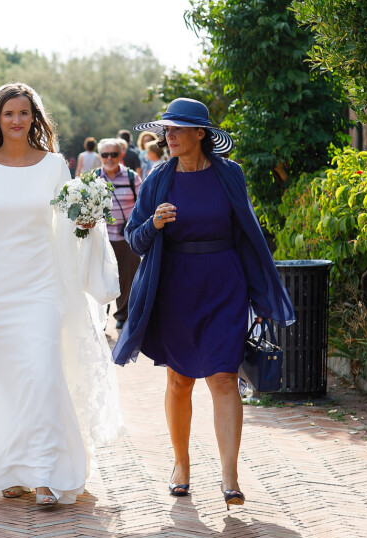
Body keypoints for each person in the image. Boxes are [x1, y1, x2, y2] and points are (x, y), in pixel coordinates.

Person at [112, 98, 295, 510]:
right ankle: (181, 464)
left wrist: (260, 295)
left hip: (223, 285)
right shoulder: (158, 177)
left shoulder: (230, 174)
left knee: (224, 378)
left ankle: (230, 477)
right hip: (175, 286)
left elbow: (247, 234)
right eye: (166, 130)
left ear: (201, 134)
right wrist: (155, 222)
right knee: (179, 380)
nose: (169, 136)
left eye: (177, 129)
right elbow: (133, 236)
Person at [0, 83, 123, 506]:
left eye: (24, 113)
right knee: (7, 378)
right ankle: (11, 471)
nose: (17, 120)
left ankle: (49, 473)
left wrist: (86, 223)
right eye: (9, 113)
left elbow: (66, 223)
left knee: (45, 374)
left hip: (43, 285)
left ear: (35, 118)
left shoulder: (53, 166)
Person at [97, 138, 142, 330]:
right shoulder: (93, 179)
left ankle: (123, 316)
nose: (109, 158)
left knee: (127, 278)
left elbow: (143, 204)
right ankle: (100, 317)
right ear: (100, 156)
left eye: (114, 154)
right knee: (100, 279)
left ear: (121, 155)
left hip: (127, 238)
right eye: (105, 154)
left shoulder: (132, 178)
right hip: (101, 238)